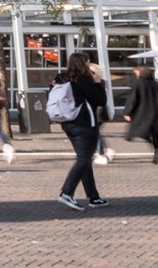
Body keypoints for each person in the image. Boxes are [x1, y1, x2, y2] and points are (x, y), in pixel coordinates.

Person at [55, 53, 108, 210]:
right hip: (84, 123)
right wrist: (98, 83)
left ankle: (93, 197)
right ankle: (66, 193)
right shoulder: (84, 79)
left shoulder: (61, 77)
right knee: (83, 160)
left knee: (84, 159)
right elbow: (100, 100)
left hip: (67, 122)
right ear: (84, 63)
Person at [123, 64, 158, 166]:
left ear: (140, 73)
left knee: (141, 132)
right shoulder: (156, 84)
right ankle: (157, 153)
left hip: (144, 113)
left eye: (136, 73)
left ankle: (155, 150)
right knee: (155, 134)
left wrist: (127, 112)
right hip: (157, 113)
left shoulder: (138, 83)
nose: (135, 75)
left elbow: (133, 98)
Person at [88, 63, 115, 165]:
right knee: (96, 133)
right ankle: (104, 151)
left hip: (96, 112)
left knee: (95, 134)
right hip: (101, 111)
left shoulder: (97, 83)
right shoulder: (102, 82)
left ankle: (101, 153)